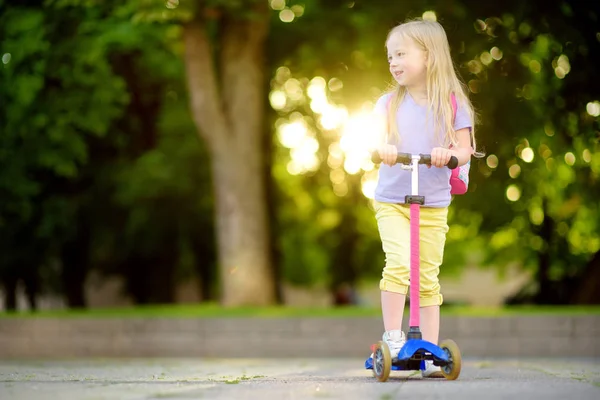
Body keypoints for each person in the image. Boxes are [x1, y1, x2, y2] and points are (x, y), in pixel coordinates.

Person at [370, 18, 481, 378]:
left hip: (432, 202)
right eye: (390, 56)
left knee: (428, 276)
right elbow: (375, 141)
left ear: (429, 56)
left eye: (401, 54)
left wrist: (449, 154)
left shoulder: (452, 104)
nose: (393, 62)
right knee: (400, 263)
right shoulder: (388, 104)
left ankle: (430, 350)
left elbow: (465, 149)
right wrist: (384, 149)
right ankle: (393, 337)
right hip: (392, 199)